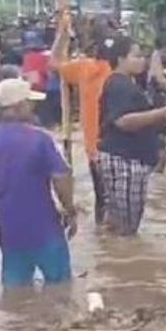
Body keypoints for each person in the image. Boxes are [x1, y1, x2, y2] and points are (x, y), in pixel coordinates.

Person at [0, 78, 77, 287]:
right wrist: (70, 210)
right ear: (19, 106)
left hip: (10, 232)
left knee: (15, 292)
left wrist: (4, 212)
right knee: (60, 288)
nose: (33, 107)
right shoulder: (40, 139)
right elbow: (61, 177)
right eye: (30, 103)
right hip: (45, 229)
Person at [97, 36, 166, 235]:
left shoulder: (128, 84)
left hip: (129, 159)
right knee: (127, 227)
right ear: (120, 59)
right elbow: (123, 121)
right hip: (125, 159)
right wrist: (162, 113)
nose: (142, 60)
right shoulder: (119, 85)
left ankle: (115, 258)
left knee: (121, 222)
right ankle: (121, 262)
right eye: (136, 56)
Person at [53, 33, 115, 224]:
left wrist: (62, 35)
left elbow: (54, 62)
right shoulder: (119, 74)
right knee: (113, 202)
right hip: (118, 147)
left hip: (95, 146)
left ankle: (103, 236)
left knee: (102, 199)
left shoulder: (85, 68)